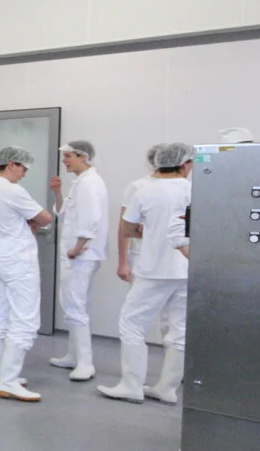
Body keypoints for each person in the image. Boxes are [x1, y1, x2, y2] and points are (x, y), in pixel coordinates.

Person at [99, 142, 193, 404]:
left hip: (154, 270)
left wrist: (148, 230)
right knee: (180, 329)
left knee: (132, 324)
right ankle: (167, 388)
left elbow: (127, 229)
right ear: (184, 164)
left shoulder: (145, 192)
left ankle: (131, 385)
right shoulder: (196, 190)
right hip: (188, 268)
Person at [0, 145, 54, 403]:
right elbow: (45, 218)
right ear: (11, 164)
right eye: (23, 168)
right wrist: (33, 221)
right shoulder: (12, 190)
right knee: (25, 320)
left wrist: (27, 221)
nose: (25, 173)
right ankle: (10, 382)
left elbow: (12, 219)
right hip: (17, 261)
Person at [47, 140, 108, 381]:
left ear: (83, 157)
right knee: (76, 306)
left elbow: (91, 219)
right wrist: (58, 192)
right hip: (80, 253)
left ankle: (85, 363)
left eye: (68, 156)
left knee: (75, 307)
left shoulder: (90, 183)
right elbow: (63, 213)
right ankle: (74, 356)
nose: (65, 161)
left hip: (81, 255)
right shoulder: (81, 182)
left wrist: (77, 248)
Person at [116, 144, 162, 284]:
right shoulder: (138, 186)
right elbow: (124, 226)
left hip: (173, 257)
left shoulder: (184, 186)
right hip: (142, 255)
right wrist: (123, 263)